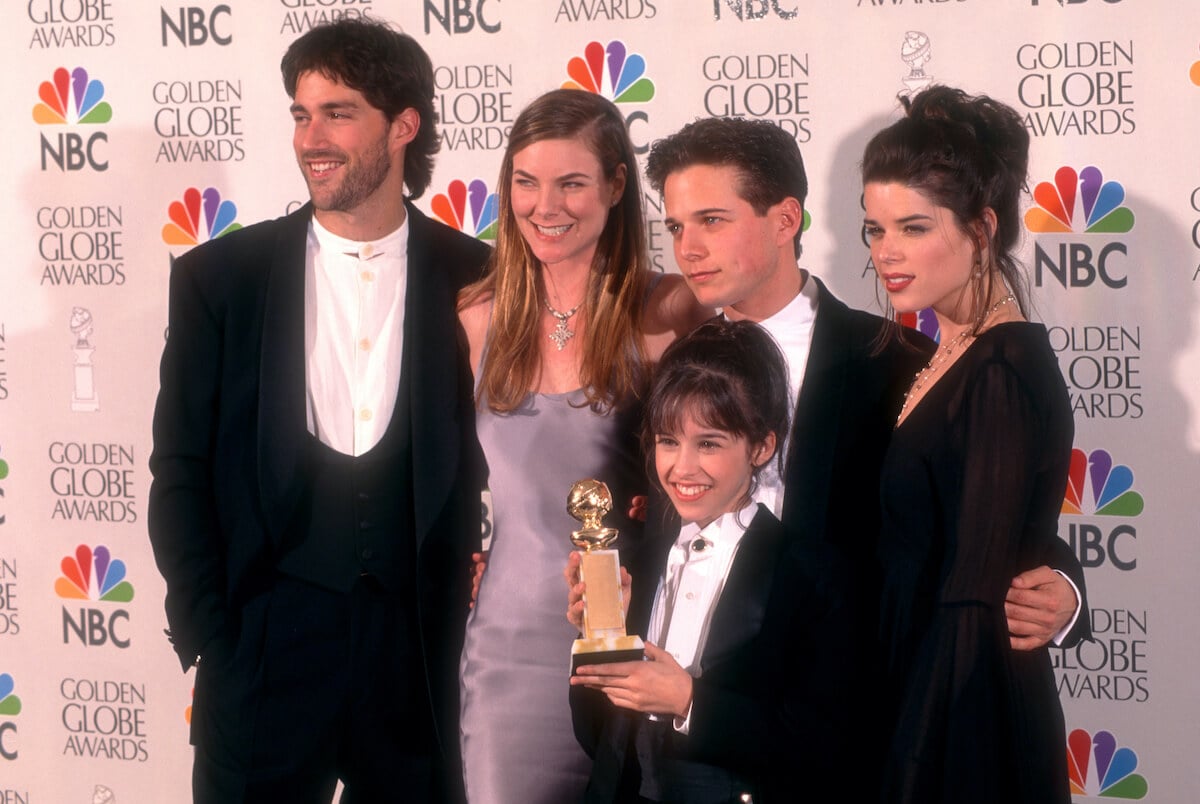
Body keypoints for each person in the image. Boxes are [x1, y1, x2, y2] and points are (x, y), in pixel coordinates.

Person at [640, 116, 1090, 787]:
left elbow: (966, 512)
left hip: (840, 741)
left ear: (785, 218)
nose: (688, 248)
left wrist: (1063, 585)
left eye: (710, 219)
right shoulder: (668, 367)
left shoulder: (899, 363)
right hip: (683, 745)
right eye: (676, 227)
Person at [147, 19, 490, 803]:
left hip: (420, 665)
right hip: (263, 650)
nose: (312, 138)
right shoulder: (221, 278)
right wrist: (215, 633)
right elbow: (180, 466)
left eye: (338, 112)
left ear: (404, 125)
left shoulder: (480, 276)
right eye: (301, 114)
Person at [456, 89, 708, 804]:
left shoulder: (668, 312)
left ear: (616, 186)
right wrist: (458, 560)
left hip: (639, 640)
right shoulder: (475, 318)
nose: (547, 206)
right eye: (527, 183)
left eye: (572, 183)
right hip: (506, 649)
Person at [862, 86, 1072, 802]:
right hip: (921, 698)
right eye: (875, 229)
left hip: (961, 729)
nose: (886, 253)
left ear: (981, 228)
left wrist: (913, 767)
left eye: (913, 228)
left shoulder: (1002, 369)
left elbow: (976, 599)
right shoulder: (943, 355)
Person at [566, 319, 862, 802]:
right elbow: (597, 737)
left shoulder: (812, 575)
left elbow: (821, 746)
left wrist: (689, 701)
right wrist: (598, 636)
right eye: (667, 441)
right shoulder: (637, 564)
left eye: (708, 443)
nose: (682, 468)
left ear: (761, 447)